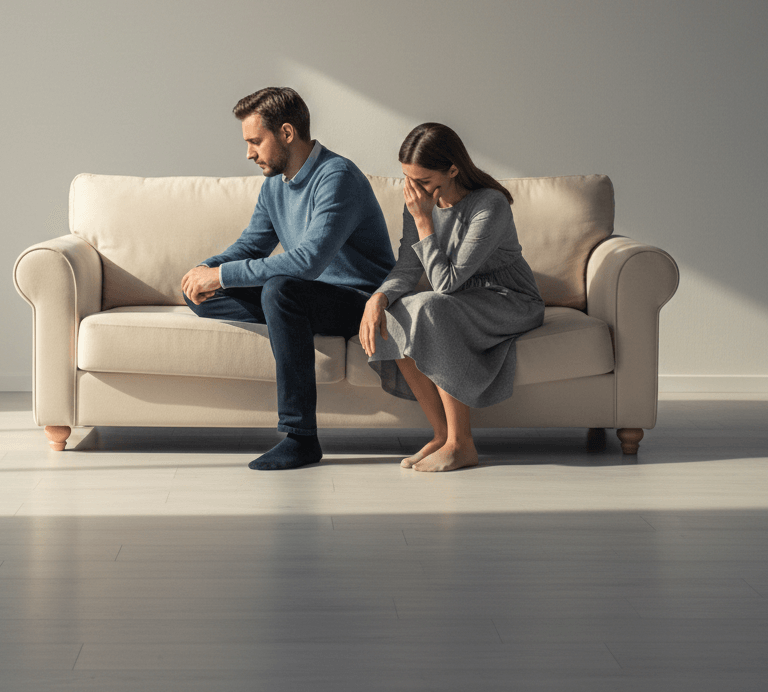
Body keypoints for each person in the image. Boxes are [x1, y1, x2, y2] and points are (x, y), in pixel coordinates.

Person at [180, 87, 395, 471]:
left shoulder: (337, 176)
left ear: (287, 133)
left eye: (255, 141)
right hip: (306, 296)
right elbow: (251, 245)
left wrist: (221, 275)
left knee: (279, 289)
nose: (249, 153)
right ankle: (287, 319)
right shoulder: (274, 185)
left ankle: (301, 438)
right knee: (202, 294)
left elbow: (308, 261)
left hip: (358, 301)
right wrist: (204, 271)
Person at [359, 123, 545, 473]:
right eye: (407, 178)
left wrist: (424, 221)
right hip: (462, 300)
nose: (414, 189)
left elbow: (446, 284)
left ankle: (462, 444)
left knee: (431, 306)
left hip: (509, 299)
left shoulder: (489, 205)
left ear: (453, 170)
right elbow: (408, 266)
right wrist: (378, 299)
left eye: (423, 180)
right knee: (395, 311)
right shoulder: (419, 201)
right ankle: (442, 434)